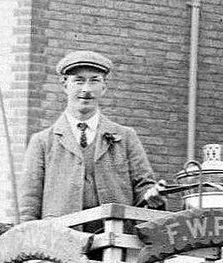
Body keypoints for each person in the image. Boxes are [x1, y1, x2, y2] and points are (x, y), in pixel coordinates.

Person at [20, 49, 166, 220]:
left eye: (94, 81)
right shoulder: (42, 142)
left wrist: (153, 197)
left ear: (104, 87)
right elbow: (29, 206)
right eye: (79, 81)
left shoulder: (125, 137)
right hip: (60, 240)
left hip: (115, 238)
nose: (86, 89)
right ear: (65, 85)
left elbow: (144, 190)